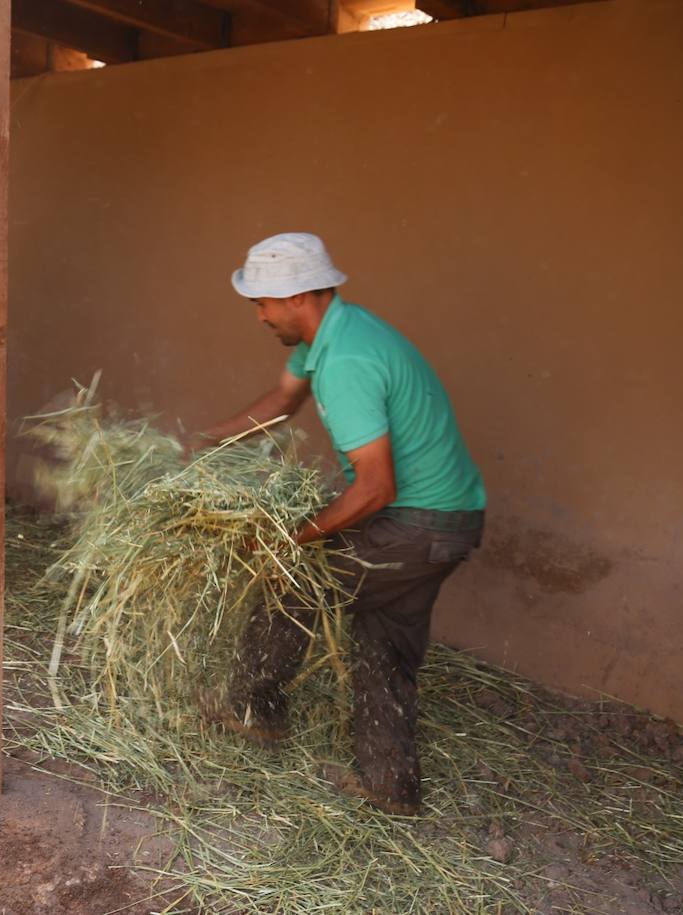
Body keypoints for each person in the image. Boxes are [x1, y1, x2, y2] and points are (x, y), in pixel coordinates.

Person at [186, 233, 486, 815]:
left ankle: (255, 711)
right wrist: (205, 444)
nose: (258, 315)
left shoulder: (346, 362)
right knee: (385, 644)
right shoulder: (337, 334)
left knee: (291, 579)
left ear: (297, 296)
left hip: (416, 523)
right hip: (452, 521)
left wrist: (288, 541)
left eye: (262, 303)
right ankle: (390, 785)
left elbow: (375, 488)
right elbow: (280, 401)